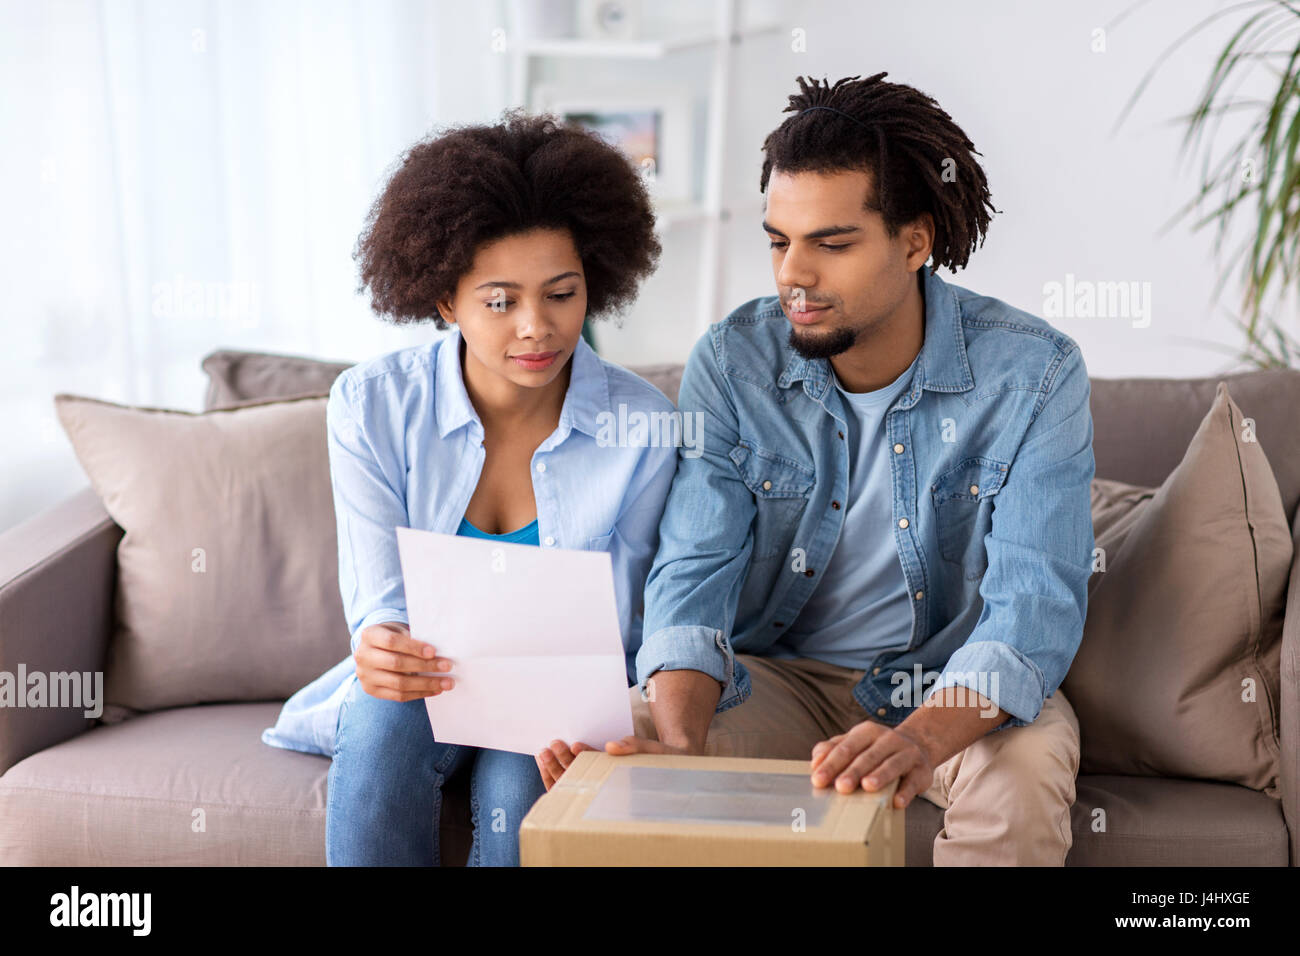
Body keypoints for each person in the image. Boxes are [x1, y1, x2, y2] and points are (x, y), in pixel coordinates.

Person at [542, 73, 1096, 866]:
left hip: (948, 682)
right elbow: (693, 573)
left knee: (1025, 773)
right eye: (778, 240)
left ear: (914, 241)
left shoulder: (1034, 374)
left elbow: (1034, 604)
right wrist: (676, 744)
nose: (792, 275)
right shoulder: (734, 363)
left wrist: (915, 739)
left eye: (831, 244)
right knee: (619, 752)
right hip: (776, 678)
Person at [261, 109, 679, 866]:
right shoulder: (370, 406)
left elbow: (634, 617)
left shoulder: (643, 426)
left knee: (525, 782)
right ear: (445, 301)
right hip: (422, 689)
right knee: (386, 718)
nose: (537, 328)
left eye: (562, 293)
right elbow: (380, 603)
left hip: (554, 692)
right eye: (500, 301)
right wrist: (381, 645)